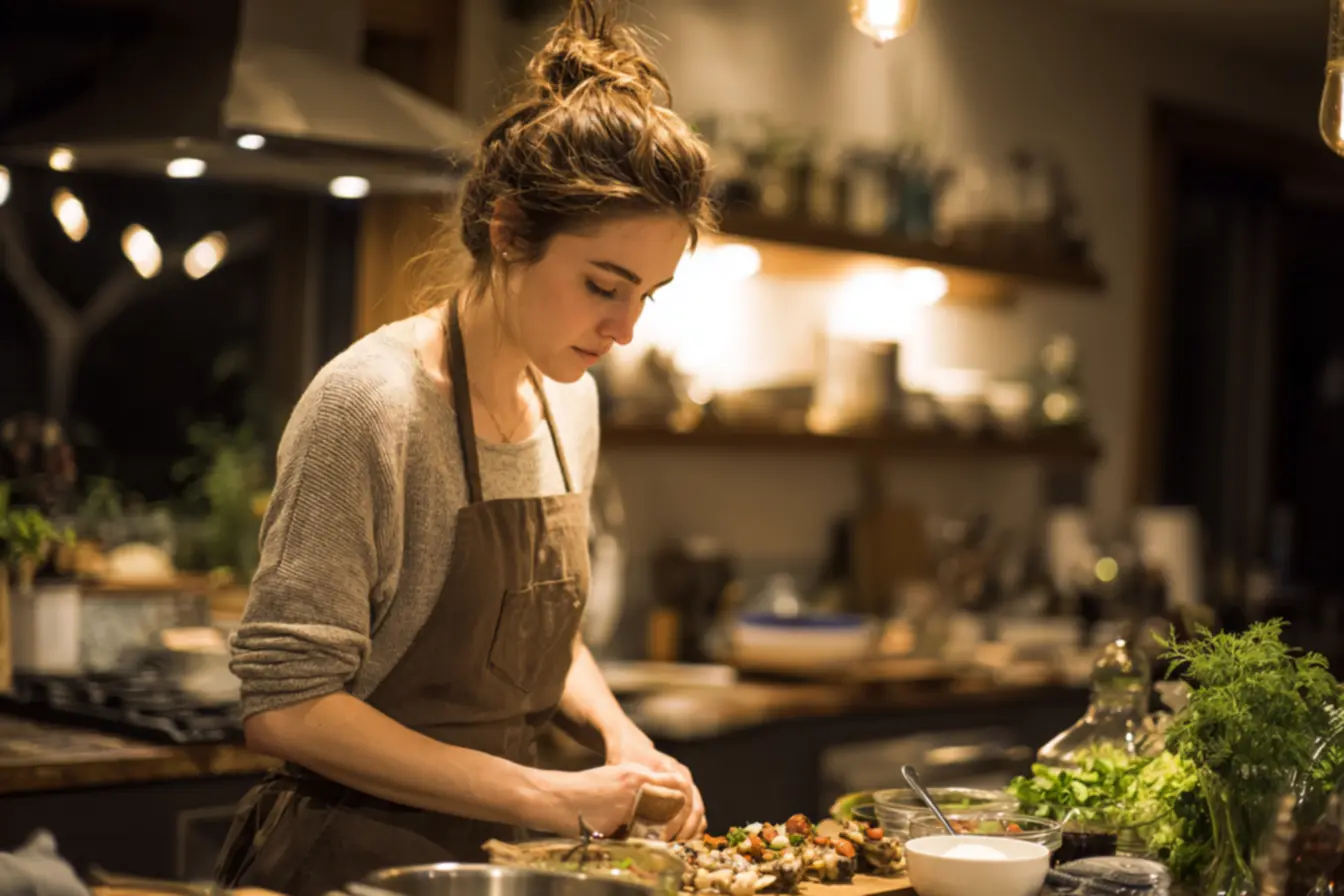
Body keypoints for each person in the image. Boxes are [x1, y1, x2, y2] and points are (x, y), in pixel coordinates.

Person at [213, 2, 715, 893]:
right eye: (604, 285)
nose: (626, 329)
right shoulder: (368, 406)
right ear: (510, 231)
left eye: (649, 294)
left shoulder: (573, 404)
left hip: (503, 865)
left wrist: (620, 740)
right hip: (350, 864)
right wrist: (550, 795)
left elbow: (540, 643)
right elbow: (285, 709)